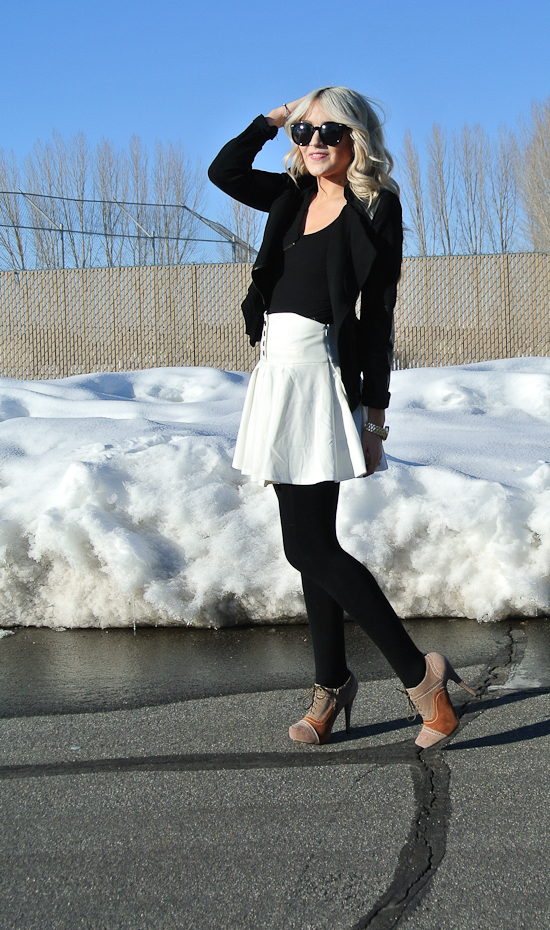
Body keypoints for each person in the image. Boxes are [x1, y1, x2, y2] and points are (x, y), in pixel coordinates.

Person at [208, 87, 475, 748]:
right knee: (311, 545)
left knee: (308, 546)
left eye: (330, 131)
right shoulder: (290, 196)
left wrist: (375, 418)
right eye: (305, 132)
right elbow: (224, 171)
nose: (314, 143)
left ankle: (421, 679)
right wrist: (277, 116)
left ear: (357, 137)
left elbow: (377, 316)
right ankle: (332, 685)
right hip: (275, 375)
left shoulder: (376, 207)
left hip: (321, 378)